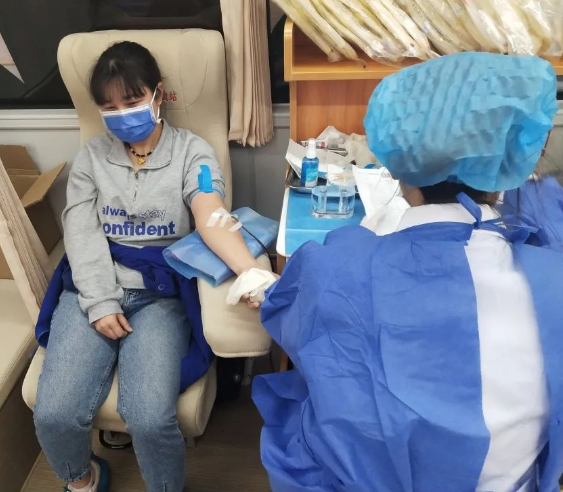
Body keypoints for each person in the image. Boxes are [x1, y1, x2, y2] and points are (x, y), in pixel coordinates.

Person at [253, 52, 563, 492]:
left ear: (399, 165)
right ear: (506, 166)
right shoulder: (551, 278)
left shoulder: (336, 267)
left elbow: (285, 308)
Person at [32, 41, 262, 492]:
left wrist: (249, 271)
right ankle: (83, 479)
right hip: (92, 287)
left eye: (133, 100)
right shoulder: (92, 158)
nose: (122, 114)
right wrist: (100, 302)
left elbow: (211, 213)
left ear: (158, 95)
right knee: (54, 413)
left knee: (150, 417)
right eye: (110, 106)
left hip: (160, 296)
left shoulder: (192, 152)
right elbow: (80, 233)